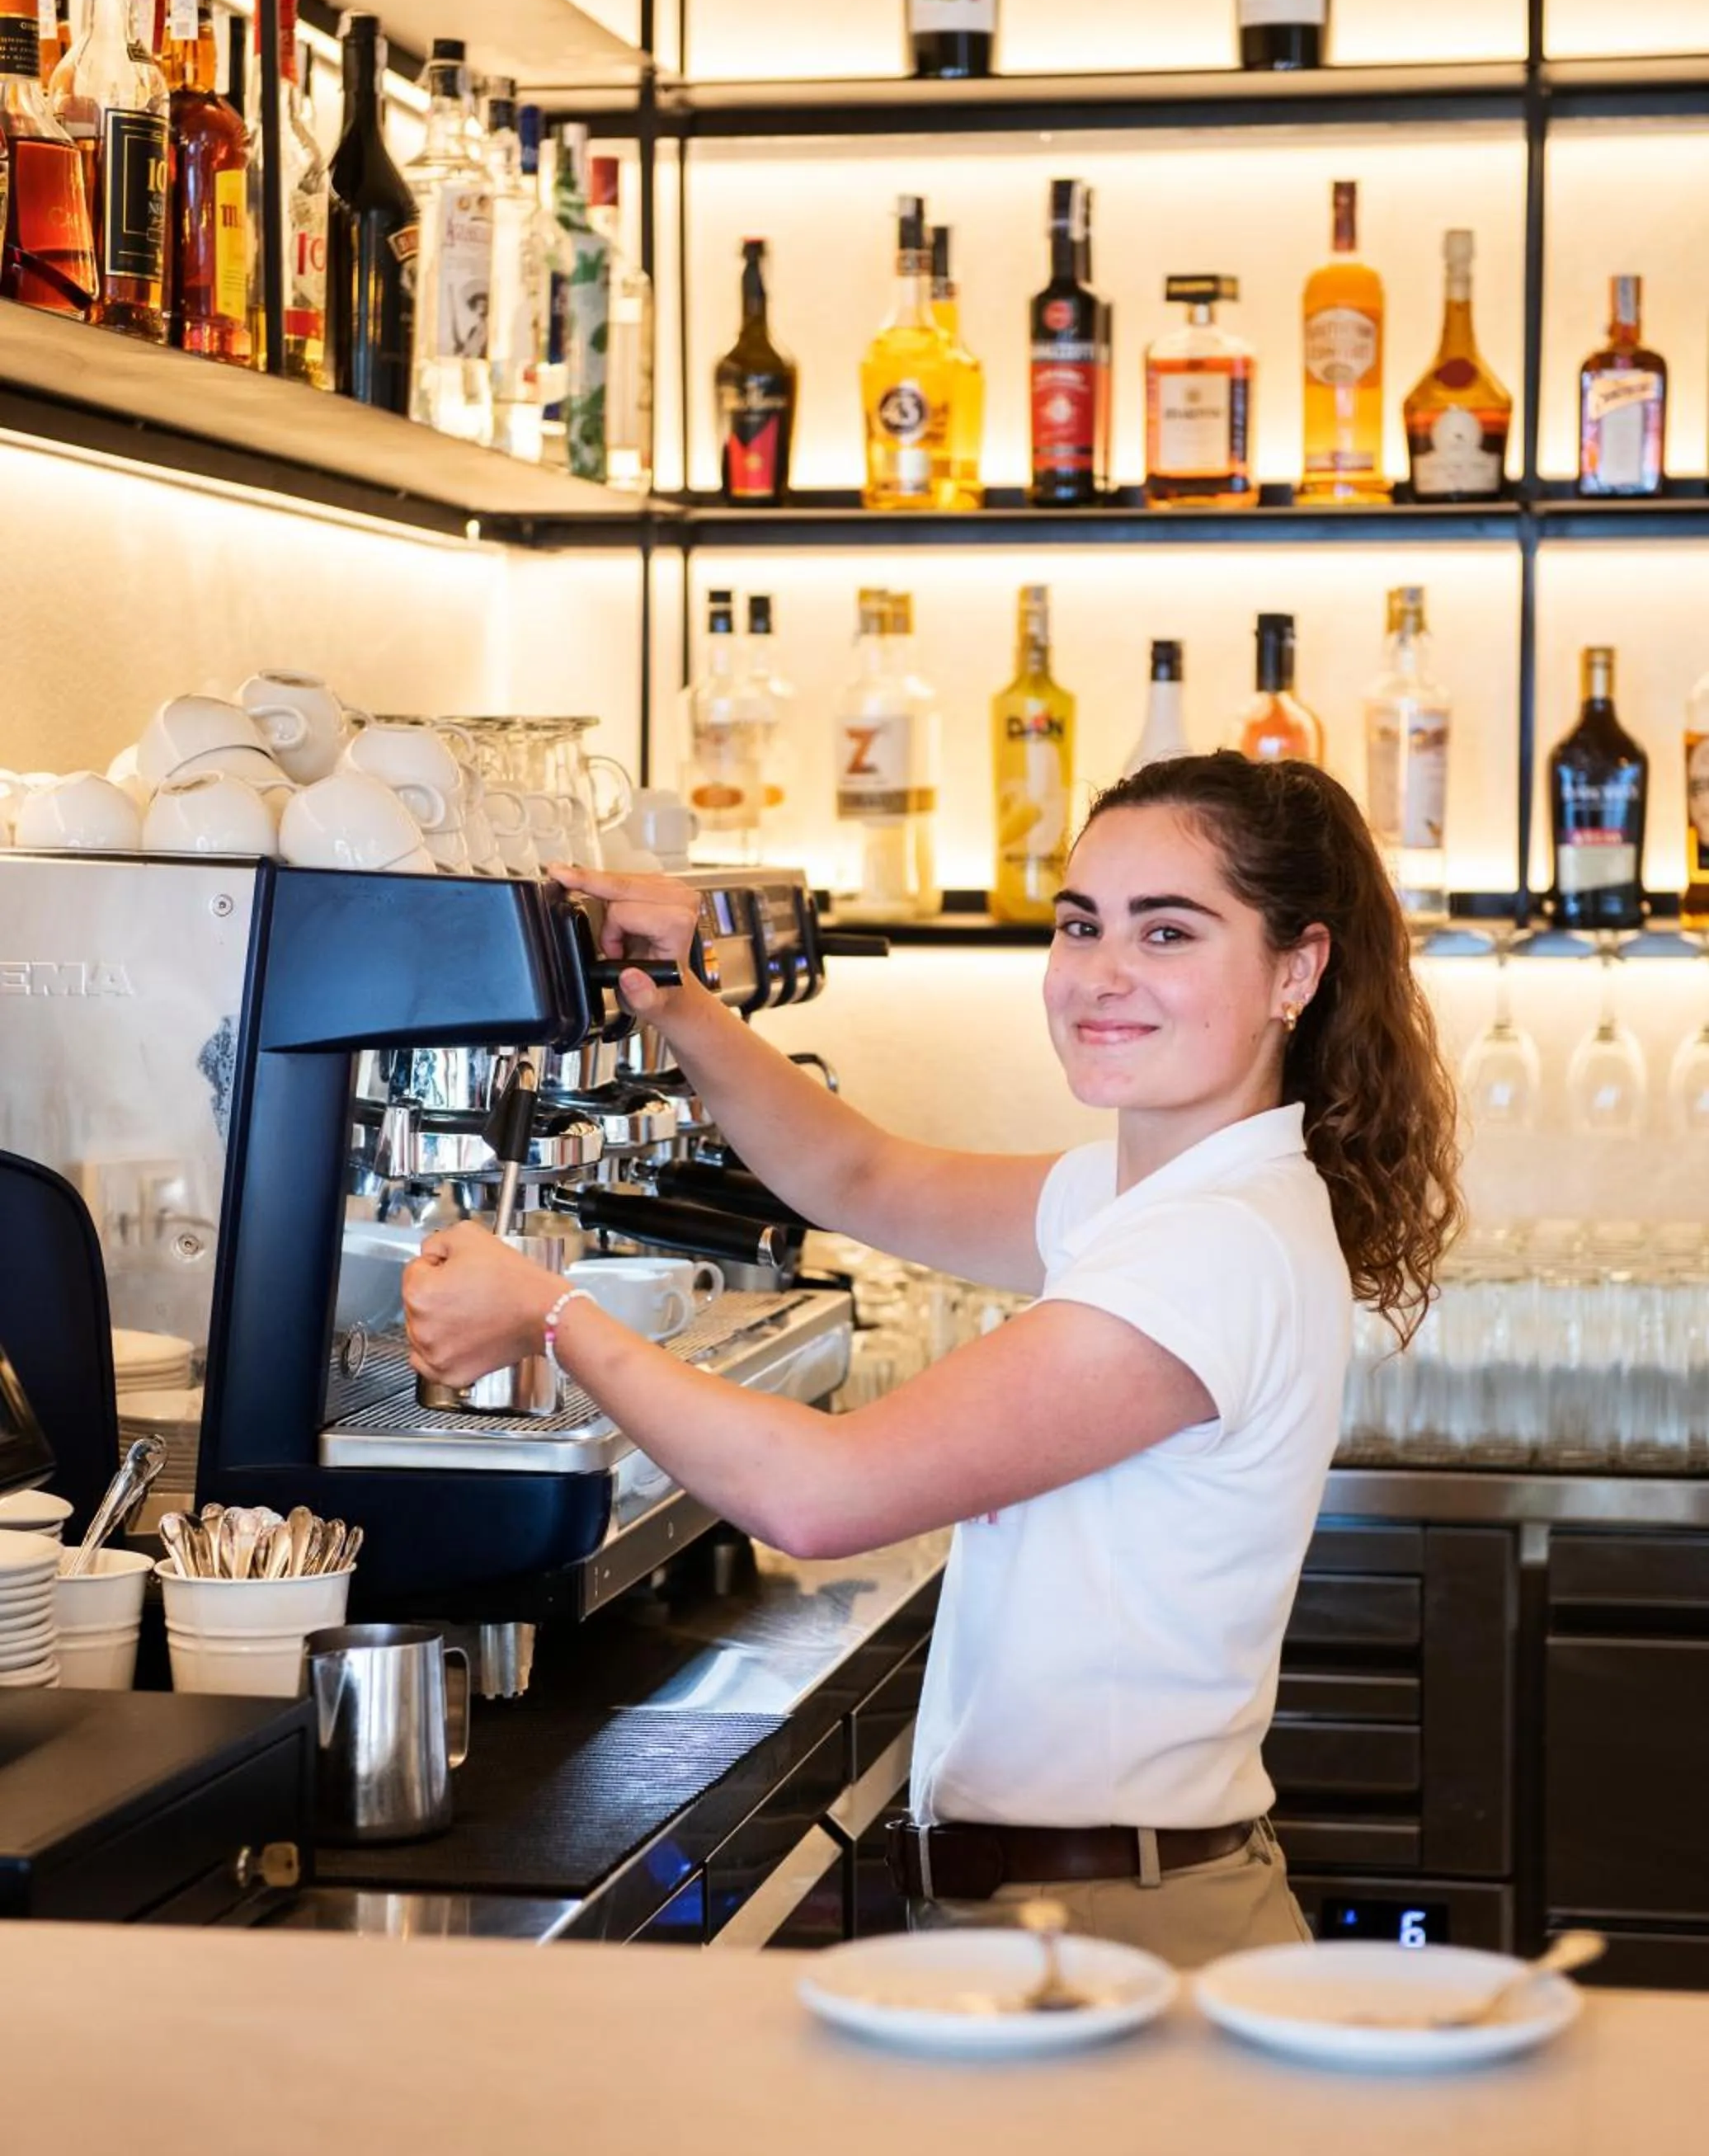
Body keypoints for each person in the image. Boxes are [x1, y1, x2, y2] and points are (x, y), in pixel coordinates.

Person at [403, 752, 1462, 1969]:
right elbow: (861, 1178)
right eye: (1082, 927)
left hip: (1116, 1933)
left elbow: (823, 1495)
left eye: (1169, 933)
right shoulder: (1161, 1194)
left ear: (1297, 969)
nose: (1102, 976)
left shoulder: (1212, 1247)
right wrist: (675, 998)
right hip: (1075, 1912)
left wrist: (549, 1316)